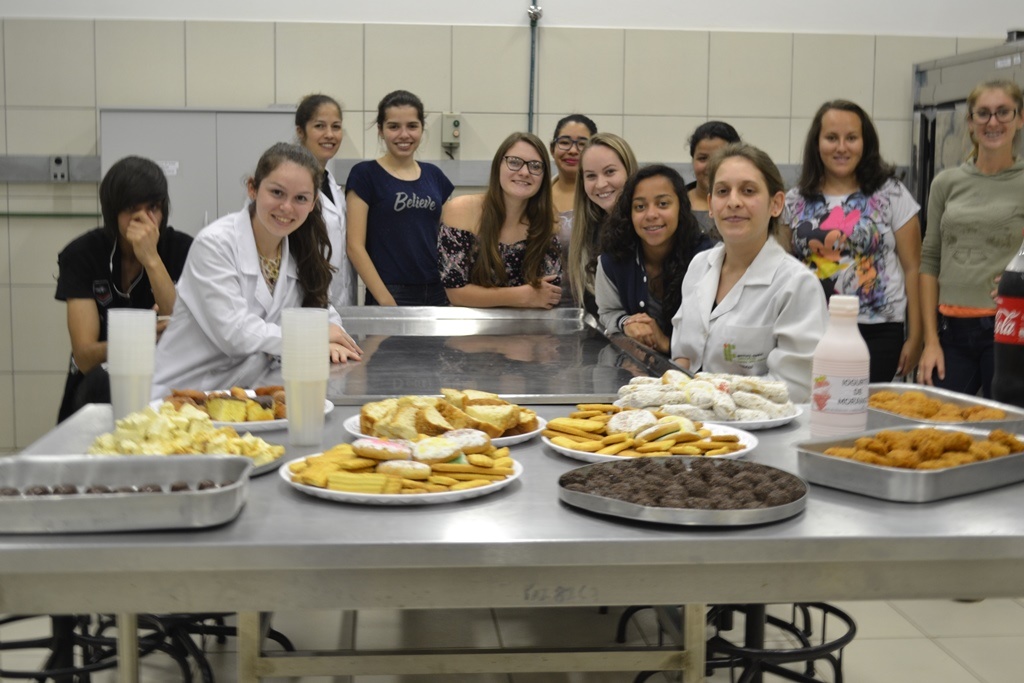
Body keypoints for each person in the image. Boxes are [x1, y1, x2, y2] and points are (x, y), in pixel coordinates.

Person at [152, 143, 361, 398]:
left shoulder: (299, 249)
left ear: (313, 202)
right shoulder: (216, 244)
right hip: (183, 395)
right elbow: (235, 333)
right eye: (277, 193)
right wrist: (316, 337)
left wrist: (333, 340)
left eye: (300, 198)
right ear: (253, 188)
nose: (286, 207)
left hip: (243, 394)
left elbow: (323, 311)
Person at [671, 143, 827, 402]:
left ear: (776, 204)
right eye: (722, 191)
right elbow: (683, 356)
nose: (733, 202)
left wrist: (710, 394)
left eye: (748, 190)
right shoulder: (699, 266)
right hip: (694, 420)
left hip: (767, 426)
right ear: (710, 204)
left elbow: (796, 388)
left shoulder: (797, 284)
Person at [780, 100, 922, 383]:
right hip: (812, 327)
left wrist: (916, 336)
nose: (842, 147)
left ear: (865, 143)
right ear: (817, 143)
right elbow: (782, 269)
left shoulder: (892, 193)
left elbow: (913, 267)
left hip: (878, 330)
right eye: (832, 138)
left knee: (867, 407)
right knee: (819, 403)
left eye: (852, 138)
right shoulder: (794, 200)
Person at [54, 156, 192, 422]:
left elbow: (182, 331)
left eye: (153, 208)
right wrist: (141, 337)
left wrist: (151, 259)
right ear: (113, 213)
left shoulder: (182, 249)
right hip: (97, 391)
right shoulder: (82, 254)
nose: (144, 219)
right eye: (131, 209)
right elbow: (85, 357)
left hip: (164, 389)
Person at [919, 79, 1024, 397]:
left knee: (1006, 424)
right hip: (949, 332)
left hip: (1007, 330)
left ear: (1020, 119)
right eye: (983, 113)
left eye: (1003, 112)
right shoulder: (945, 183)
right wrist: (930, 341)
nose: (993, 122)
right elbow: (930, 260)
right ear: (970, 121)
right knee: (935, 420)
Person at [345, 90, 454, 306]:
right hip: (390, 292)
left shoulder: (434, 176)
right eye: (394, 127)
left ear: (422, 128)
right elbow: (355, 247)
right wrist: (386, 300)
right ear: (380, 130)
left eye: (412, 126)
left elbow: (450, 238)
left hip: (438, 291)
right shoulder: (365, 175)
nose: (404, 135)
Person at [595, 165, 709, 354]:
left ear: (681, 207)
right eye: (640, 207)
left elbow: (716, 336)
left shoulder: (708, 259)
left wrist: (666, 344)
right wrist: (627, 323)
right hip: (637, 367)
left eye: (663, 204)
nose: (651, 215)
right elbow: (608, 312)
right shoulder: (612, 260)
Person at [438, 132, 561, 308]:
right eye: (514, 162)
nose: (524, 172)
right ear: (498, 166)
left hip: (527, 323)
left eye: (535, 166)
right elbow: (455, 293)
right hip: (467, 322)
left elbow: (548, 294)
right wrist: (523, 296)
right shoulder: (461, 210)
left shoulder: (547, 220)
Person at [295, 93, 357, 308]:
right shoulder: (292, 185)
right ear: (300, 131)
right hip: (304, 302)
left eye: (336, 127)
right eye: (320, 126)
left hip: (341, 303)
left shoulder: (333, 187)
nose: (329, 134)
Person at [568, 133, 639, 317]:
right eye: (591, 176)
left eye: (610, 172)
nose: (600, 184)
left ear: (629, 171)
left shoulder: (647, 228)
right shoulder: (589, 231)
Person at [686, 121, 741, 241]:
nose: (711, 166)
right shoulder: (676, 204)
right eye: (702, 158)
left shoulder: (745, 204)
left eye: (719, 157)